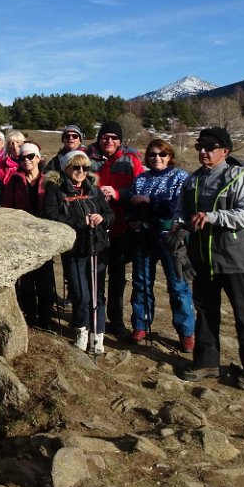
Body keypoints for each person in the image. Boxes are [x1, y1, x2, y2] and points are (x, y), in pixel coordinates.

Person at [173, 127, 244, 389]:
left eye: (210, 147)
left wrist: (213, 217)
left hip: (236, 260)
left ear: (225, 151)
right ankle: (206, 362)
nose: (203, 152)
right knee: (205, 312)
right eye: (200, 147)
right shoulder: (192, 181)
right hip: (202, 259)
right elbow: (182, 212)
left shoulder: (239, 179)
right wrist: (178, 227)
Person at [126, 138, 195, 351]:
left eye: (162, 154)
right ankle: (141, 324)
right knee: (142, 283)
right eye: (153, 154)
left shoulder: (180, 177)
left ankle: (186, 332)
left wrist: (150, 201)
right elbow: (131, 204)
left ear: (169, 156)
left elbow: (176, 205)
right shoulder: (141, 179)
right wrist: (132, 220)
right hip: (144, 237)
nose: (157, 158)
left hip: (170, 238)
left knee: (178, 285)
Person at [44, 150, 114, 354]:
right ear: (66, 168)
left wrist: (102, 219)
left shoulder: (93, 188)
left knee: (97, 294)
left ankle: (98, 334)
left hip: (98, 247)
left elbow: (109, 213)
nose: (81, 171)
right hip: (75, 249)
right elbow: (51, 216)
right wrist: (80, 222)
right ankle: (82, 330)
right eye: (76, 167)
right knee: (81, 293)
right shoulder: (55, 189)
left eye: (85, 167)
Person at [87, 121, 145, 334]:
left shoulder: (131, 160)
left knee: (118, 276)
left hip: (121, 226)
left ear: (120, 140)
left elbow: (140, 187)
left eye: (114, 137)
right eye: (105, 137)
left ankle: (116, 319)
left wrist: (118, 193)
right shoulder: (88, 158)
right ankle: (96, 317)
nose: (109, 141)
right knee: (95, 275)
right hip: (95, 227)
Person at [4, 142, 56, 330]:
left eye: (30, 156)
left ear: (38, 158)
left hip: (44, 235)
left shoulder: (49, 180)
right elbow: (8, 206)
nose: (26, 160)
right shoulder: (15, 180)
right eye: (22, 157)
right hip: (23, 235)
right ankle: (29, 315)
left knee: (45, 279)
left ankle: (46, 317)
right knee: (26, 279)